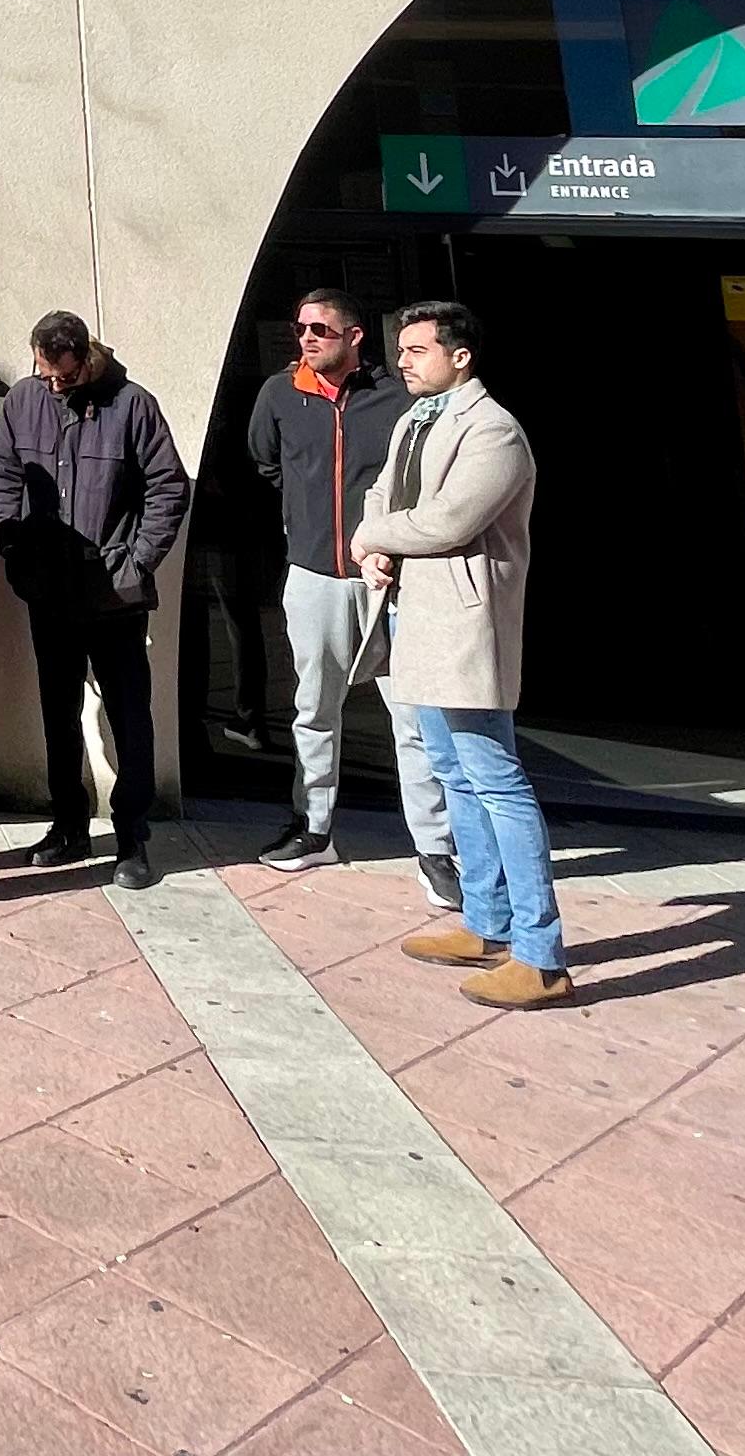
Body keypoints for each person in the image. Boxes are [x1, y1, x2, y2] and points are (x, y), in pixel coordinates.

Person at [354, 302, 573, 1009]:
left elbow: (451, 519)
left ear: (462, 356)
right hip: (418, 616)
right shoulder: (414, 421)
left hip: (466, 623)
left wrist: (373, 536)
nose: (404, 360)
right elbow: (383, 494)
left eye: (418, 349)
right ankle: (486, 922)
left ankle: (540, 955)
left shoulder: (494, 432)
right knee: (449, 768)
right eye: (403, 349)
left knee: (494, 777)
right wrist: (377, 542)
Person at [246, 289, 457, 900]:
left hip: (397, 579)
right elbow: (265, 463)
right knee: (313, 709)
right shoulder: (280, 394)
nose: (308, 339)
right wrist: (307, 519)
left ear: (355, 337)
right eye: (301, 328)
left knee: (413, 719)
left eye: (322, 330)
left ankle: (435, 851)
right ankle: (313, 830)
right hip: (315, 575)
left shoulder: (399, 400)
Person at [0, 309, 189, 891]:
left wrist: (134, 563)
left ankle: (132, 837)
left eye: (66, 376)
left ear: (87, 358)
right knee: (58, 712)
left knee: (130, 717)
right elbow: (4, 470)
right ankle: (68, 824)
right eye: (44, 373)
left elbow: (168, 486)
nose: (54, 385)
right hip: (47, 588)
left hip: (115, 595)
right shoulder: (23, 399)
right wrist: (12, 541)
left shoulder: (132, 403)